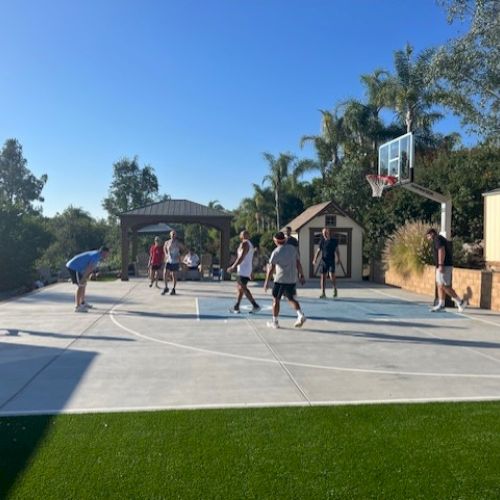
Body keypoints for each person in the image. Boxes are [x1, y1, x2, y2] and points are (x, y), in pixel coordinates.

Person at [264, 231, 306, 329]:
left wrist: (267, 282)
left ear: (276, 241)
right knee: (291, 298)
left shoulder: (276, 252)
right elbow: (298, 263)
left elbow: (271, 268)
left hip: (280, 279)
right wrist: (302, 275)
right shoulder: (292, 249)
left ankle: (275, 322)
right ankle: (300, 314)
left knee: (276, 300)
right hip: (292, 279)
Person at [425, 228, 466, 312]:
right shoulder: (438, 239)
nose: (428, 238)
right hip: (442, 265)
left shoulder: (437, 239)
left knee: (445, 286)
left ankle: (460, 302)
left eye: (428, 236)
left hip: (445, 266)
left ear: (432, 234)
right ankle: (441, 304)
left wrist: (441, 265)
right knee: (440, 285)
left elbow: (441, 250)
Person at [66, 246, 109, 312]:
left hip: (77, 267)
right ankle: (77, 306)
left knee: (84, 284)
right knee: (81, 285)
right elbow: (89, 267)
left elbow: (89, 267)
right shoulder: (95, 256)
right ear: (103, 252)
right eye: (106, 254)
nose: (107, 256)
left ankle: (82, 302)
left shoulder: (97, 255)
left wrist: (85, 277)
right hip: (74, 267)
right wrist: (83, 277)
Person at [227, 230, 260, 313]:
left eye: (245, 234)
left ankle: (255, 305)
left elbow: (241, 257)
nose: (244, 236)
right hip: (245, 269)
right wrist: (251, 271)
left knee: (242, 287)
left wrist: (233, 266)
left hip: (243, 270)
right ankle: (237, 306)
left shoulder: (245, 244)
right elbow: (248, 258)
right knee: (240, 288)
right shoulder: (249, 244)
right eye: (243, 234)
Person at [313, 227, 342, 299]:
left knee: (331, 275)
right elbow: (318, 251)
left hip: (331, 260)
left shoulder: (333, 241)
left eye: (326, 233)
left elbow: (337, 250)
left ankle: (335, 289)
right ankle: (323, 292)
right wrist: (315, 259)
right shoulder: (322, 242)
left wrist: (338, 259)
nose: (324, 234)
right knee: (323, 277)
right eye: (323, 233)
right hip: (324, 261)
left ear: (328, 232)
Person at [162, 230, 183, 296]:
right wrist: (166, 254)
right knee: (165, 273)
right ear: (170, 235)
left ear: (176, 235)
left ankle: (173, 289)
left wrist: (179, 255)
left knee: (174, 275)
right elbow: (164, 248)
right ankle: (166, 287)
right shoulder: (167, 242)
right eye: (172, 234)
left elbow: (184, 249)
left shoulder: (178, 243)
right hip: (169, 260)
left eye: (174, 234)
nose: (173, 235)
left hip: (175, 261)